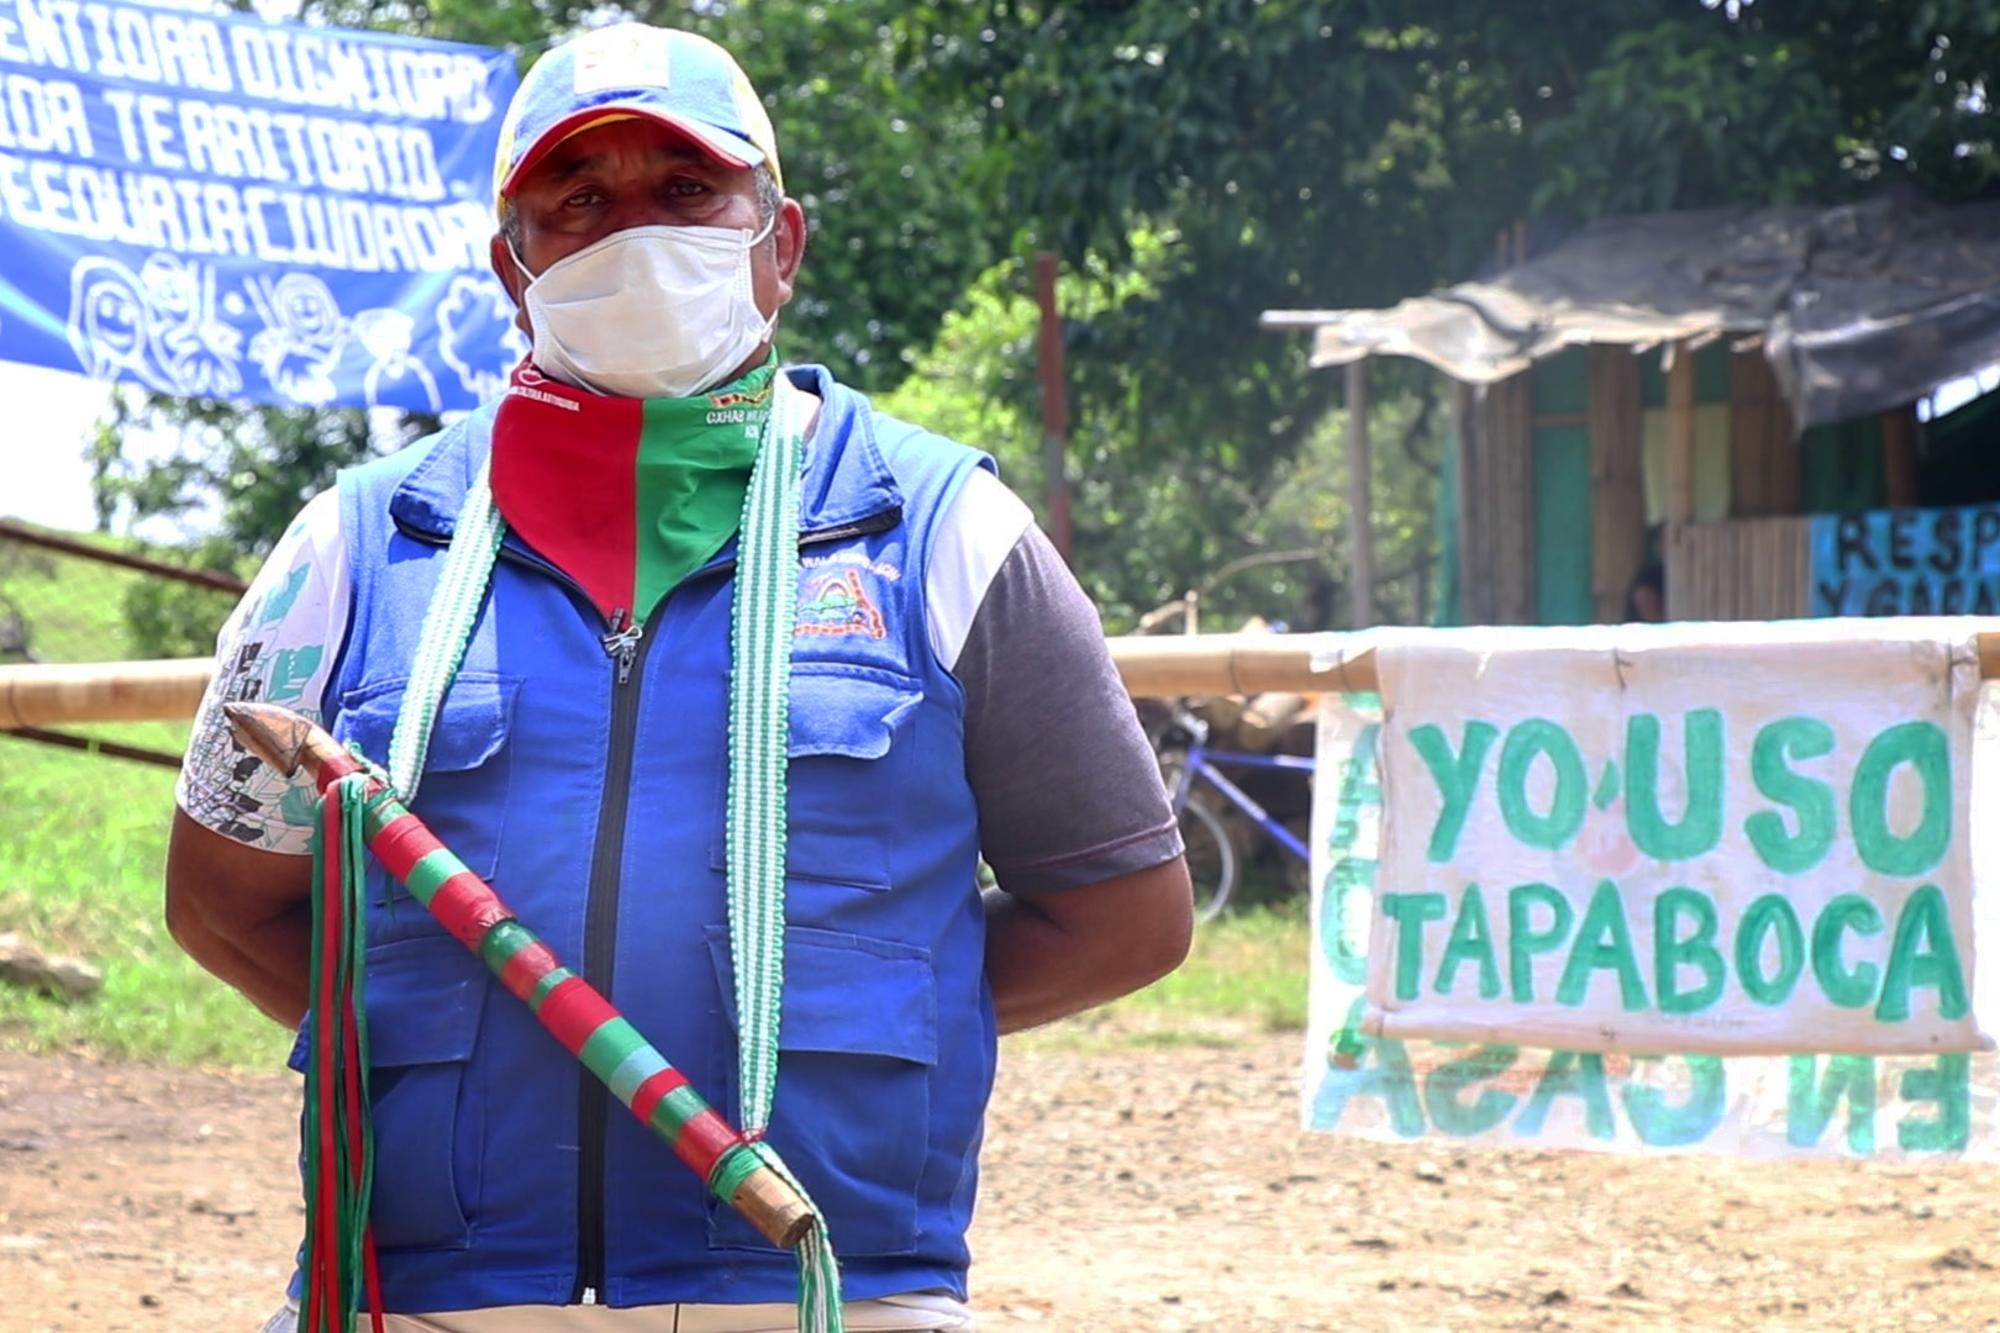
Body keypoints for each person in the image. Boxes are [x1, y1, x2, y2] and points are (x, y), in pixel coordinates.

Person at [164, 23, 1193, 1333]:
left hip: (832, 1290)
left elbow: (1126, 911)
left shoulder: (945, 535)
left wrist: (862, 1012)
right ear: (511, 265)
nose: (634, 234)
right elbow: (225, 903)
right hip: (430, 1297)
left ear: (782, 242)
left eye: (687, 191)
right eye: (578, 201)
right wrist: (450, 1034)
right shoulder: (351, 552)